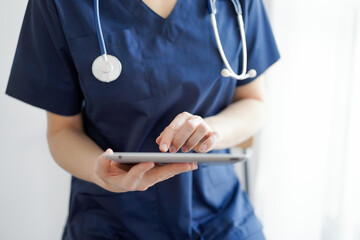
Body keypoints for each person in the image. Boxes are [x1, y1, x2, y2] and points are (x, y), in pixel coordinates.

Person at [6, 0, 279, 239]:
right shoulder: (59, 4)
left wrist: (210, 131)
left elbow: (254, 102)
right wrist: (100, 172)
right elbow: (62, 131)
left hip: (219, 214)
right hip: (111, 217)